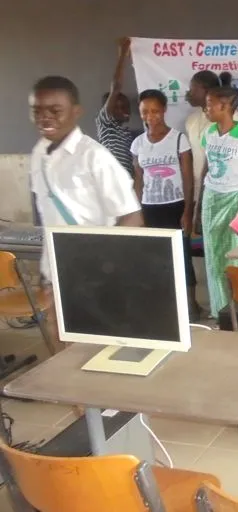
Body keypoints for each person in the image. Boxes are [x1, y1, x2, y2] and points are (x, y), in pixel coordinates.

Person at [29, 76, 143, 354]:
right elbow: (49, 217)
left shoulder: (95, 157)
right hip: (56, 274)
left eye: (55, 110)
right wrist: (46, 272)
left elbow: (132, 218)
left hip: (93, 276)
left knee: (94, 352)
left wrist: (99, 266)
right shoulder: (38, 154)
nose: (45, 117)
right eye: (37, 110)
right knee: (61, 350)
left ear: (76, 111)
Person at [195, 74, 238, 320]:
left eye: (210, 104)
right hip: (212, 201)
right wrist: (199, 203)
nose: (206, 109)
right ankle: (221, 312)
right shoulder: (208, 134)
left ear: (224, 106)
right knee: (214, 258)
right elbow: (205, 169)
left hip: (236, 202)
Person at [131, 89, 201, 318]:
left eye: (155, 111)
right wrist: (137, 212)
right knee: (155, 259)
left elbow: (188, 178)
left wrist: (188, 211)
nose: (150, 116)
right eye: (145, 112)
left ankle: (191, 306)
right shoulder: (138, 144)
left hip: (176, 206)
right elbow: (139, 179)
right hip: (150, 208)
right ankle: (165, 305)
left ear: (164, 111)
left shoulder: (179, 139)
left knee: (182, 257)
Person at [184, 70, 238, 211]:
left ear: (206, 91)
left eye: (193, 89)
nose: (188, 93)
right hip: (198, 194)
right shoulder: (191, 120)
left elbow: (235, 162)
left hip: (225, 195)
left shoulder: (233, 119)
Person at [96, 38, 136, 176]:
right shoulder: (105, 125)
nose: (122, 110)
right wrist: (123, 54)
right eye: (116, 107)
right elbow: (116, 87)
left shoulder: (128, 135)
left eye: (124, 106)